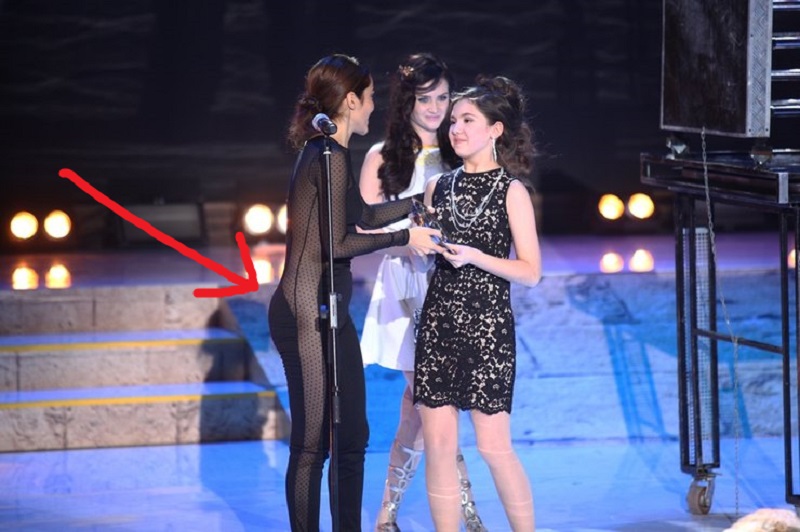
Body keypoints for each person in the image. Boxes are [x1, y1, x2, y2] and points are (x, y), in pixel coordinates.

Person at [267, 54, 447, 532]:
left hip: (332, 309)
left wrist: (416, 203)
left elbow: (363, 216)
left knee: (352, 436)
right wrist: (405, 237)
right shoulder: (325, 154)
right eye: (367, 98)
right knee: (312, 443)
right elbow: (337, 244)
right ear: (350, 101)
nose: (372, 107)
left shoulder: (335, 154)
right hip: (305, 311)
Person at [358, 53, 486, 531]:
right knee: (437, 404)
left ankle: (386, 515)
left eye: (443, 97)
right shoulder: (381, 157)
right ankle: (468, 514)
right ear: (406, 101)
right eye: (425, 98)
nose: (435, 108)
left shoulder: (463, 153)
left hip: (452, 285)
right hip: (405, 287)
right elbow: (361, 230)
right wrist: (405, 237)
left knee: (421, 410)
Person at [414, 75, 542, 531]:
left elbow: (531, 271)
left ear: (495, 130)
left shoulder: (512, 191)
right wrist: (417, 245)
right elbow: (423, 246)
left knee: (493, 446)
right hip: (439, 323)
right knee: (439, 446)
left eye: (468, 120)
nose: (456, 129)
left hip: (488, 327)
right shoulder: (437, 187)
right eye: (453, 121)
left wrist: (476, 256)